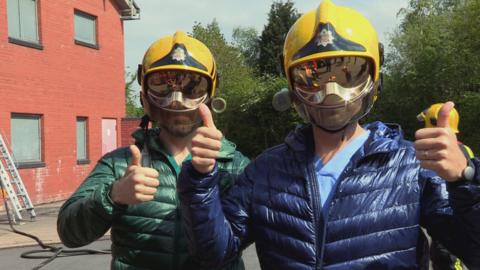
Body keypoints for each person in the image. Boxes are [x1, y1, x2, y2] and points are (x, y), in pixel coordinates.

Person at [177, 1, 480, 269]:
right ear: (292, 86)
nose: (331, 93)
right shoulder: (266, 171)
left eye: (349, 73)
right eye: (313, 78)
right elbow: (215, 254)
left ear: (374, 78)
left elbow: (473, 252)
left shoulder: (411, 165)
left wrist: (464, 180)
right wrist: (201, 178)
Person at [57, 31, 249, 270]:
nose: (177, 100)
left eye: (192, 87)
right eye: (163, 86)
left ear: (209, 96)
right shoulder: (121, 163)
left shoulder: (235, 166)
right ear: (145, 98)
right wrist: (113, 195)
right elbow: (69, 232)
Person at [418, 103, 475, 270]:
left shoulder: (432, 151)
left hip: (446, 212)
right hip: (449, 211)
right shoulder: (465, 149)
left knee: (447, 255)